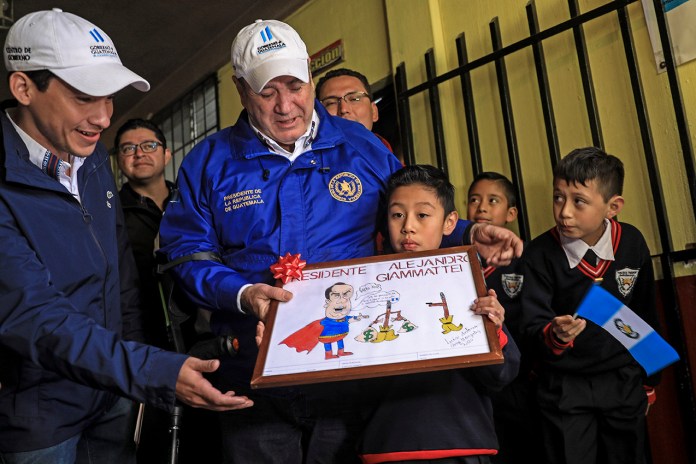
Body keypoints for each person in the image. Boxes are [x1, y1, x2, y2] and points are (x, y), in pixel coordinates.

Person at [158, 19, 522, 463]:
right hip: (254, 373)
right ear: (239, 89)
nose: (286, 105)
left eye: (294, 85)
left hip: (351, 369)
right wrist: (243, 294)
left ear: (310, 75)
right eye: (267, 91)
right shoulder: (208, 163)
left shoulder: (362, 147)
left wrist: (466, 232)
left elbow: (410, 211)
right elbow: (186, 255)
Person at [0, 9, 252, 464]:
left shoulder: (91, 160)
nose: (102, 118)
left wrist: (136, 375)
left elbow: (121, 279)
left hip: (112, 393)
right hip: (39, 411)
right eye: (83, 97)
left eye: (109, 98)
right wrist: (152, 370)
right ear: (24, 88)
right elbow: (33, 315)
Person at [358, 164, 521, 463]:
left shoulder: (466, 281)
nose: (408, 226)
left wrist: (494, 328)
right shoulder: (364, 288)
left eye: (422, 215)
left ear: (449, 223)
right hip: (387, 445)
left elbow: (504, 373)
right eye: (397, 215)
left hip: (464, 443)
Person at [521, 147, 660, 464]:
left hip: (622, 380)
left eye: (578, 201)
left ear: (613, 207)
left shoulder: (632, 242)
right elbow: (530, 325)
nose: (564, 211)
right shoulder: (539, 253)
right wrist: (555, 334)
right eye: (558, 197)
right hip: (563, 387)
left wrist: (651, 382)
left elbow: (644, 314)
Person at [466, 172, 543, 463]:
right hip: (477, 379)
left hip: (519, 378)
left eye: (492, 201)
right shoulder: (457, 261)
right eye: (474, 199)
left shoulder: (525, 260)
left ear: (511, 213)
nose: (481, 207)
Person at [115, 118, 175, 349]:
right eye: (128, 148)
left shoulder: (190, 202)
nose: (139, 154)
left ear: (166, 154)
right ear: (119, 159)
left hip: (200, 327)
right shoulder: (110, 213)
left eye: (149, 145)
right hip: (142, 332)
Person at [316, 68, 393, 151]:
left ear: (374, 111)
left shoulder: (392, 162)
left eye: (354, 99)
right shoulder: (304, 161)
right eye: (331, 103)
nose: (343, 109)